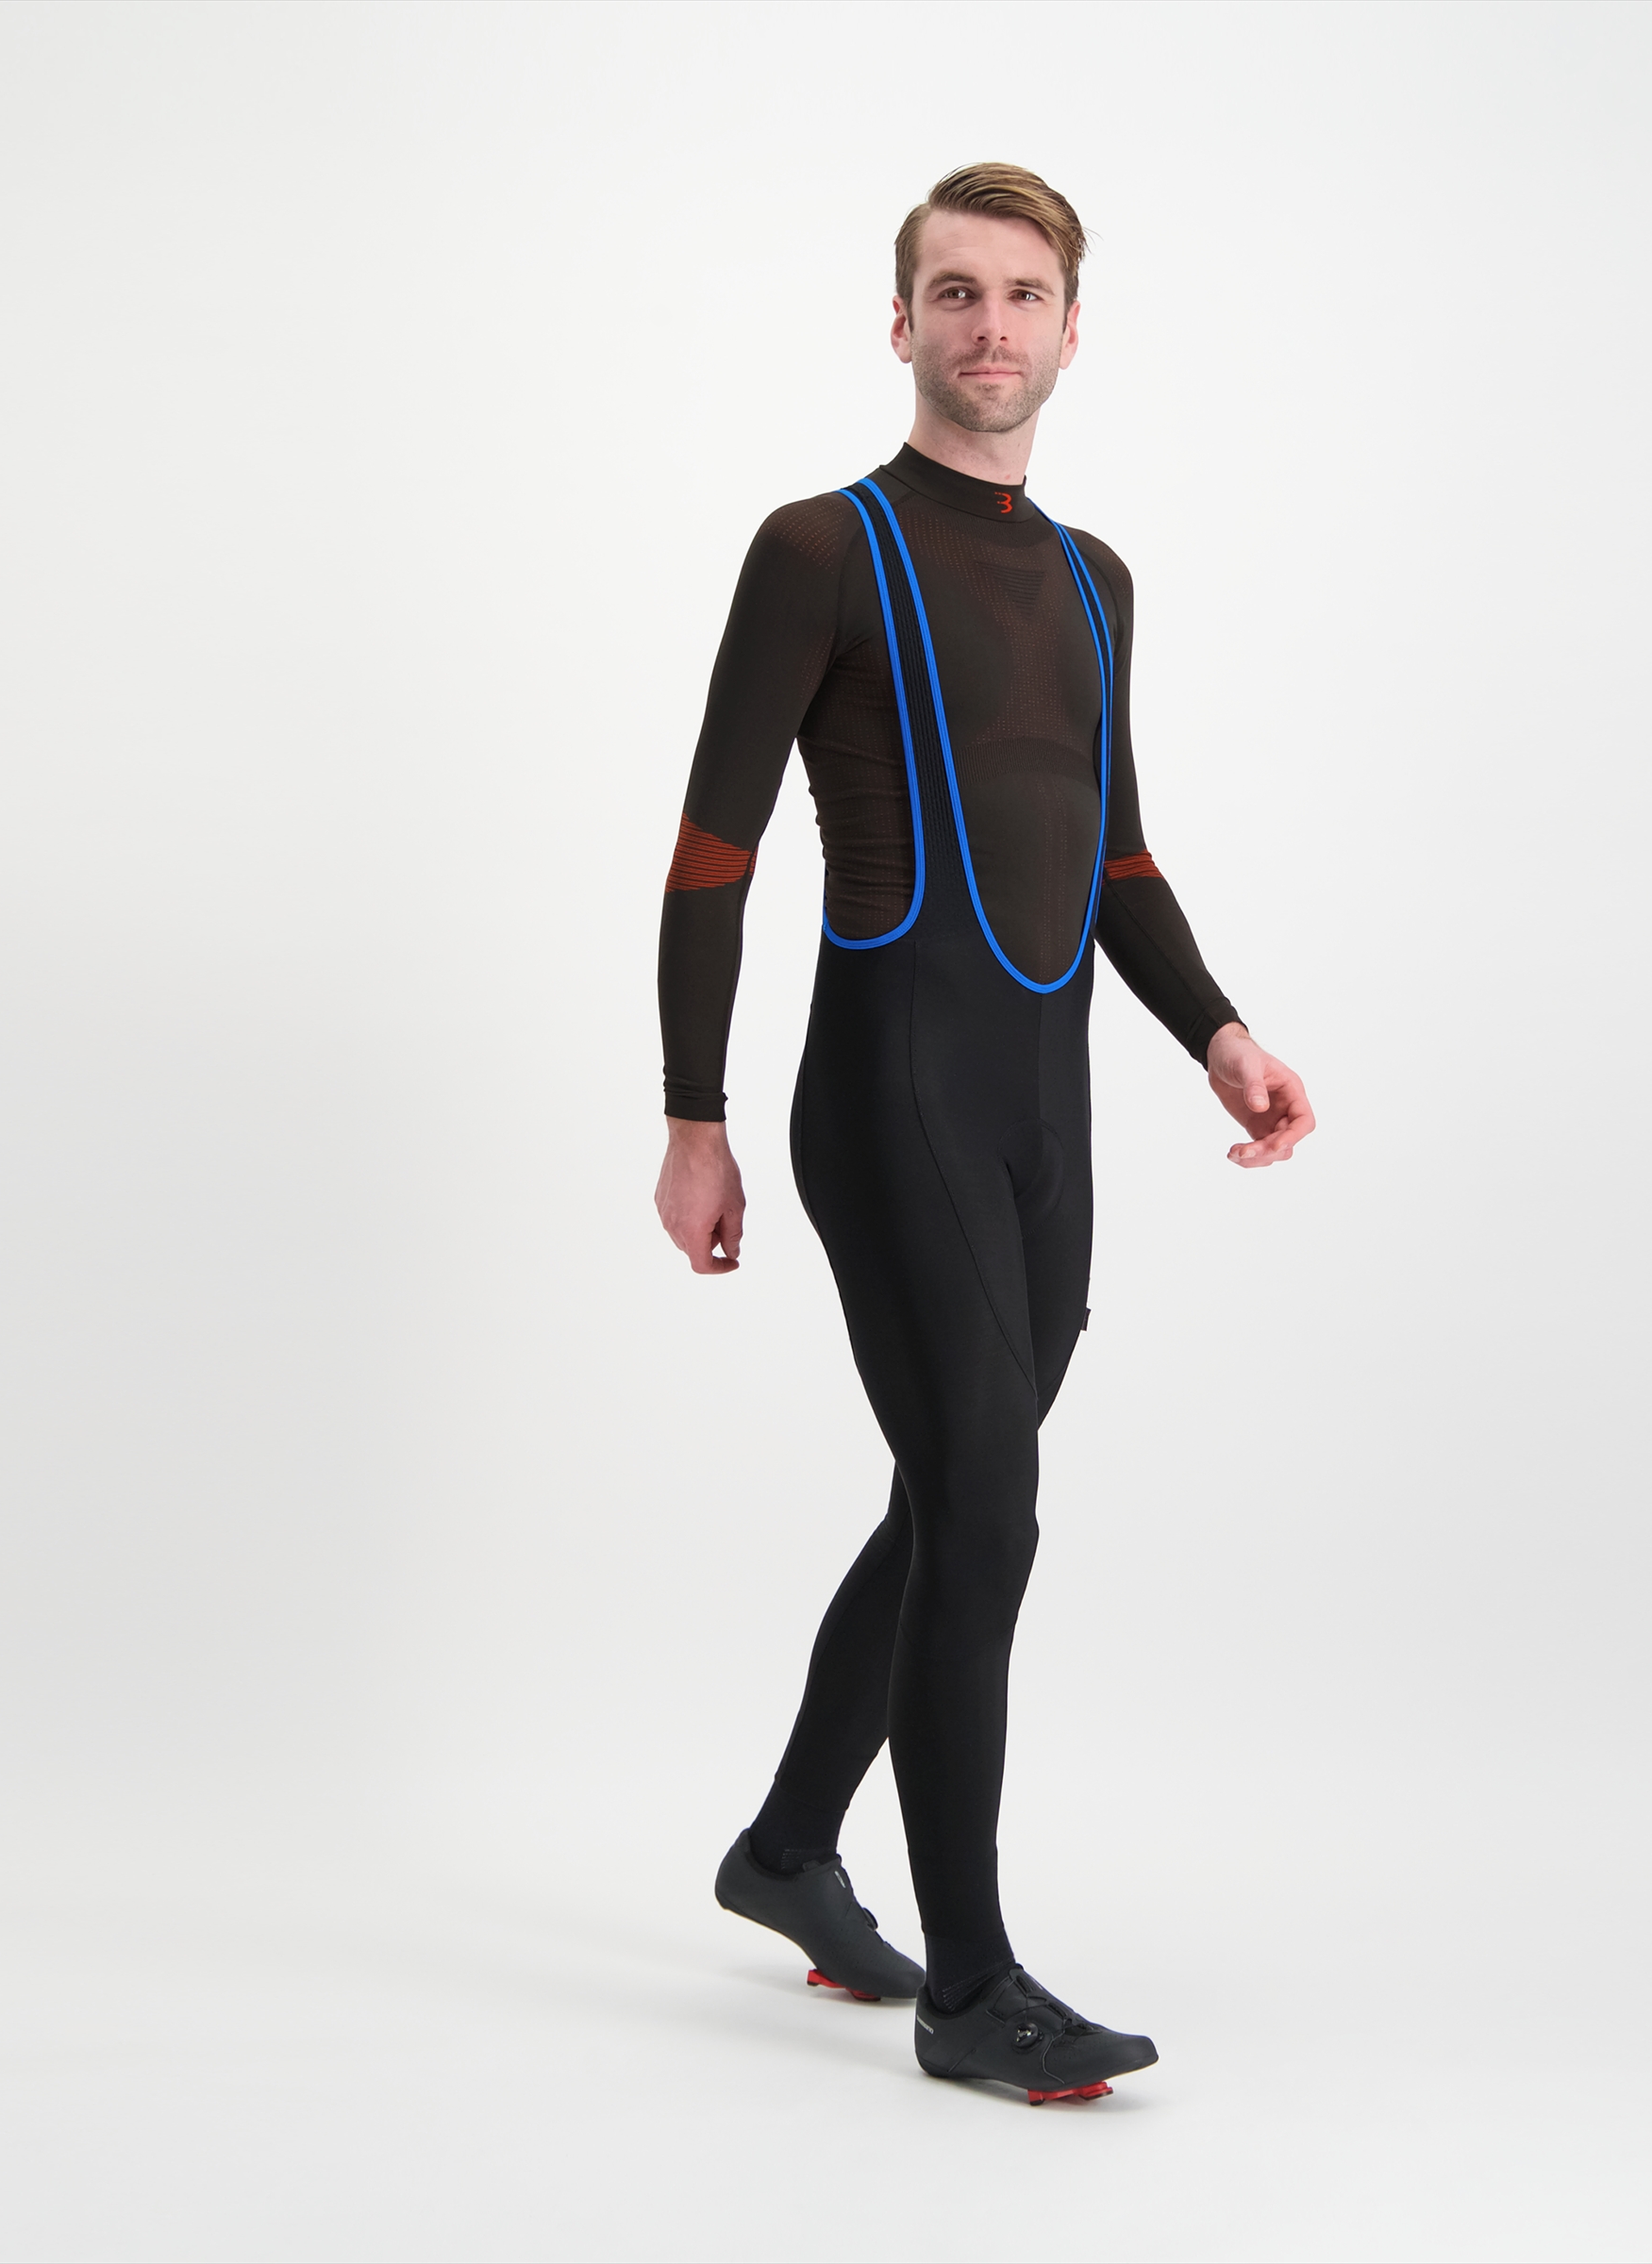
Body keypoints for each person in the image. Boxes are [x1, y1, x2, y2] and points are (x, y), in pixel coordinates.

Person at [654, 161, 1314, 2104]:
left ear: (1072, 331)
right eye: (956, 292)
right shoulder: (821, 550)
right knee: (991, 1504)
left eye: (1024, 294)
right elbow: (710, 858)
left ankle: (788, 1849)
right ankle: (972, 1987)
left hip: (1046, 1112)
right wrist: (693, 1117)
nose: (991, 325)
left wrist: (1218, 1033)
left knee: (961, 1490)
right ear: (903, 324)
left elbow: (1113, 858)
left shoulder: (1097, 580)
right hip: (891, 1095)